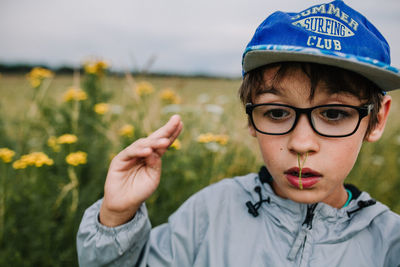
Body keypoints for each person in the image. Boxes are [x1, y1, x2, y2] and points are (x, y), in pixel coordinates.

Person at [77, 0, 400, 266]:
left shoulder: (389, 243)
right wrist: (116, 218)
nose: (302, 144)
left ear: (377, 120)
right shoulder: (207, 213)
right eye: (276, 113)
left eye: (333, 114)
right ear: (249, 117)